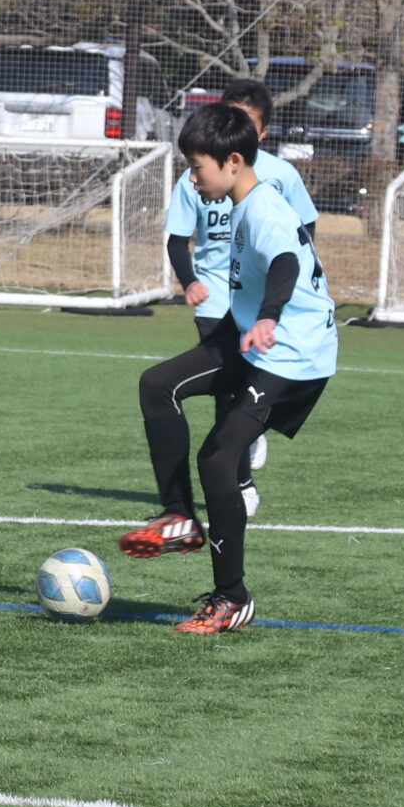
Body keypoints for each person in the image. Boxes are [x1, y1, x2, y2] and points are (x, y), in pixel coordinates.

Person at [121, 103, 337, 634]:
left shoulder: (264, 210)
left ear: (233, 161)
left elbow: (286, 263)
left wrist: (268, 316)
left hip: (292, 352)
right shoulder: (240, 202)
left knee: (219, 459)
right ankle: (178, 516)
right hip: (249, 337)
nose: (193, 179)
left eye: (198, 168)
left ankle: (231, 598)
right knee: (157, 385)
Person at [161, 80, 319, 513]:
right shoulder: (197, 176)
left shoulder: (278, 178)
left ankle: (241, 452)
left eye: (245, 123)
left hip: (264, 304)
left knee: (243, 395)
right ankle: (239, 482)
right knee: (224, 391)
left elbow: (299, 237)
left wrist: (279, 299)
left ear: (261, 133)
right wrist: (190, 280)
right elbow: (177, 239)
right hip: (216, 298)